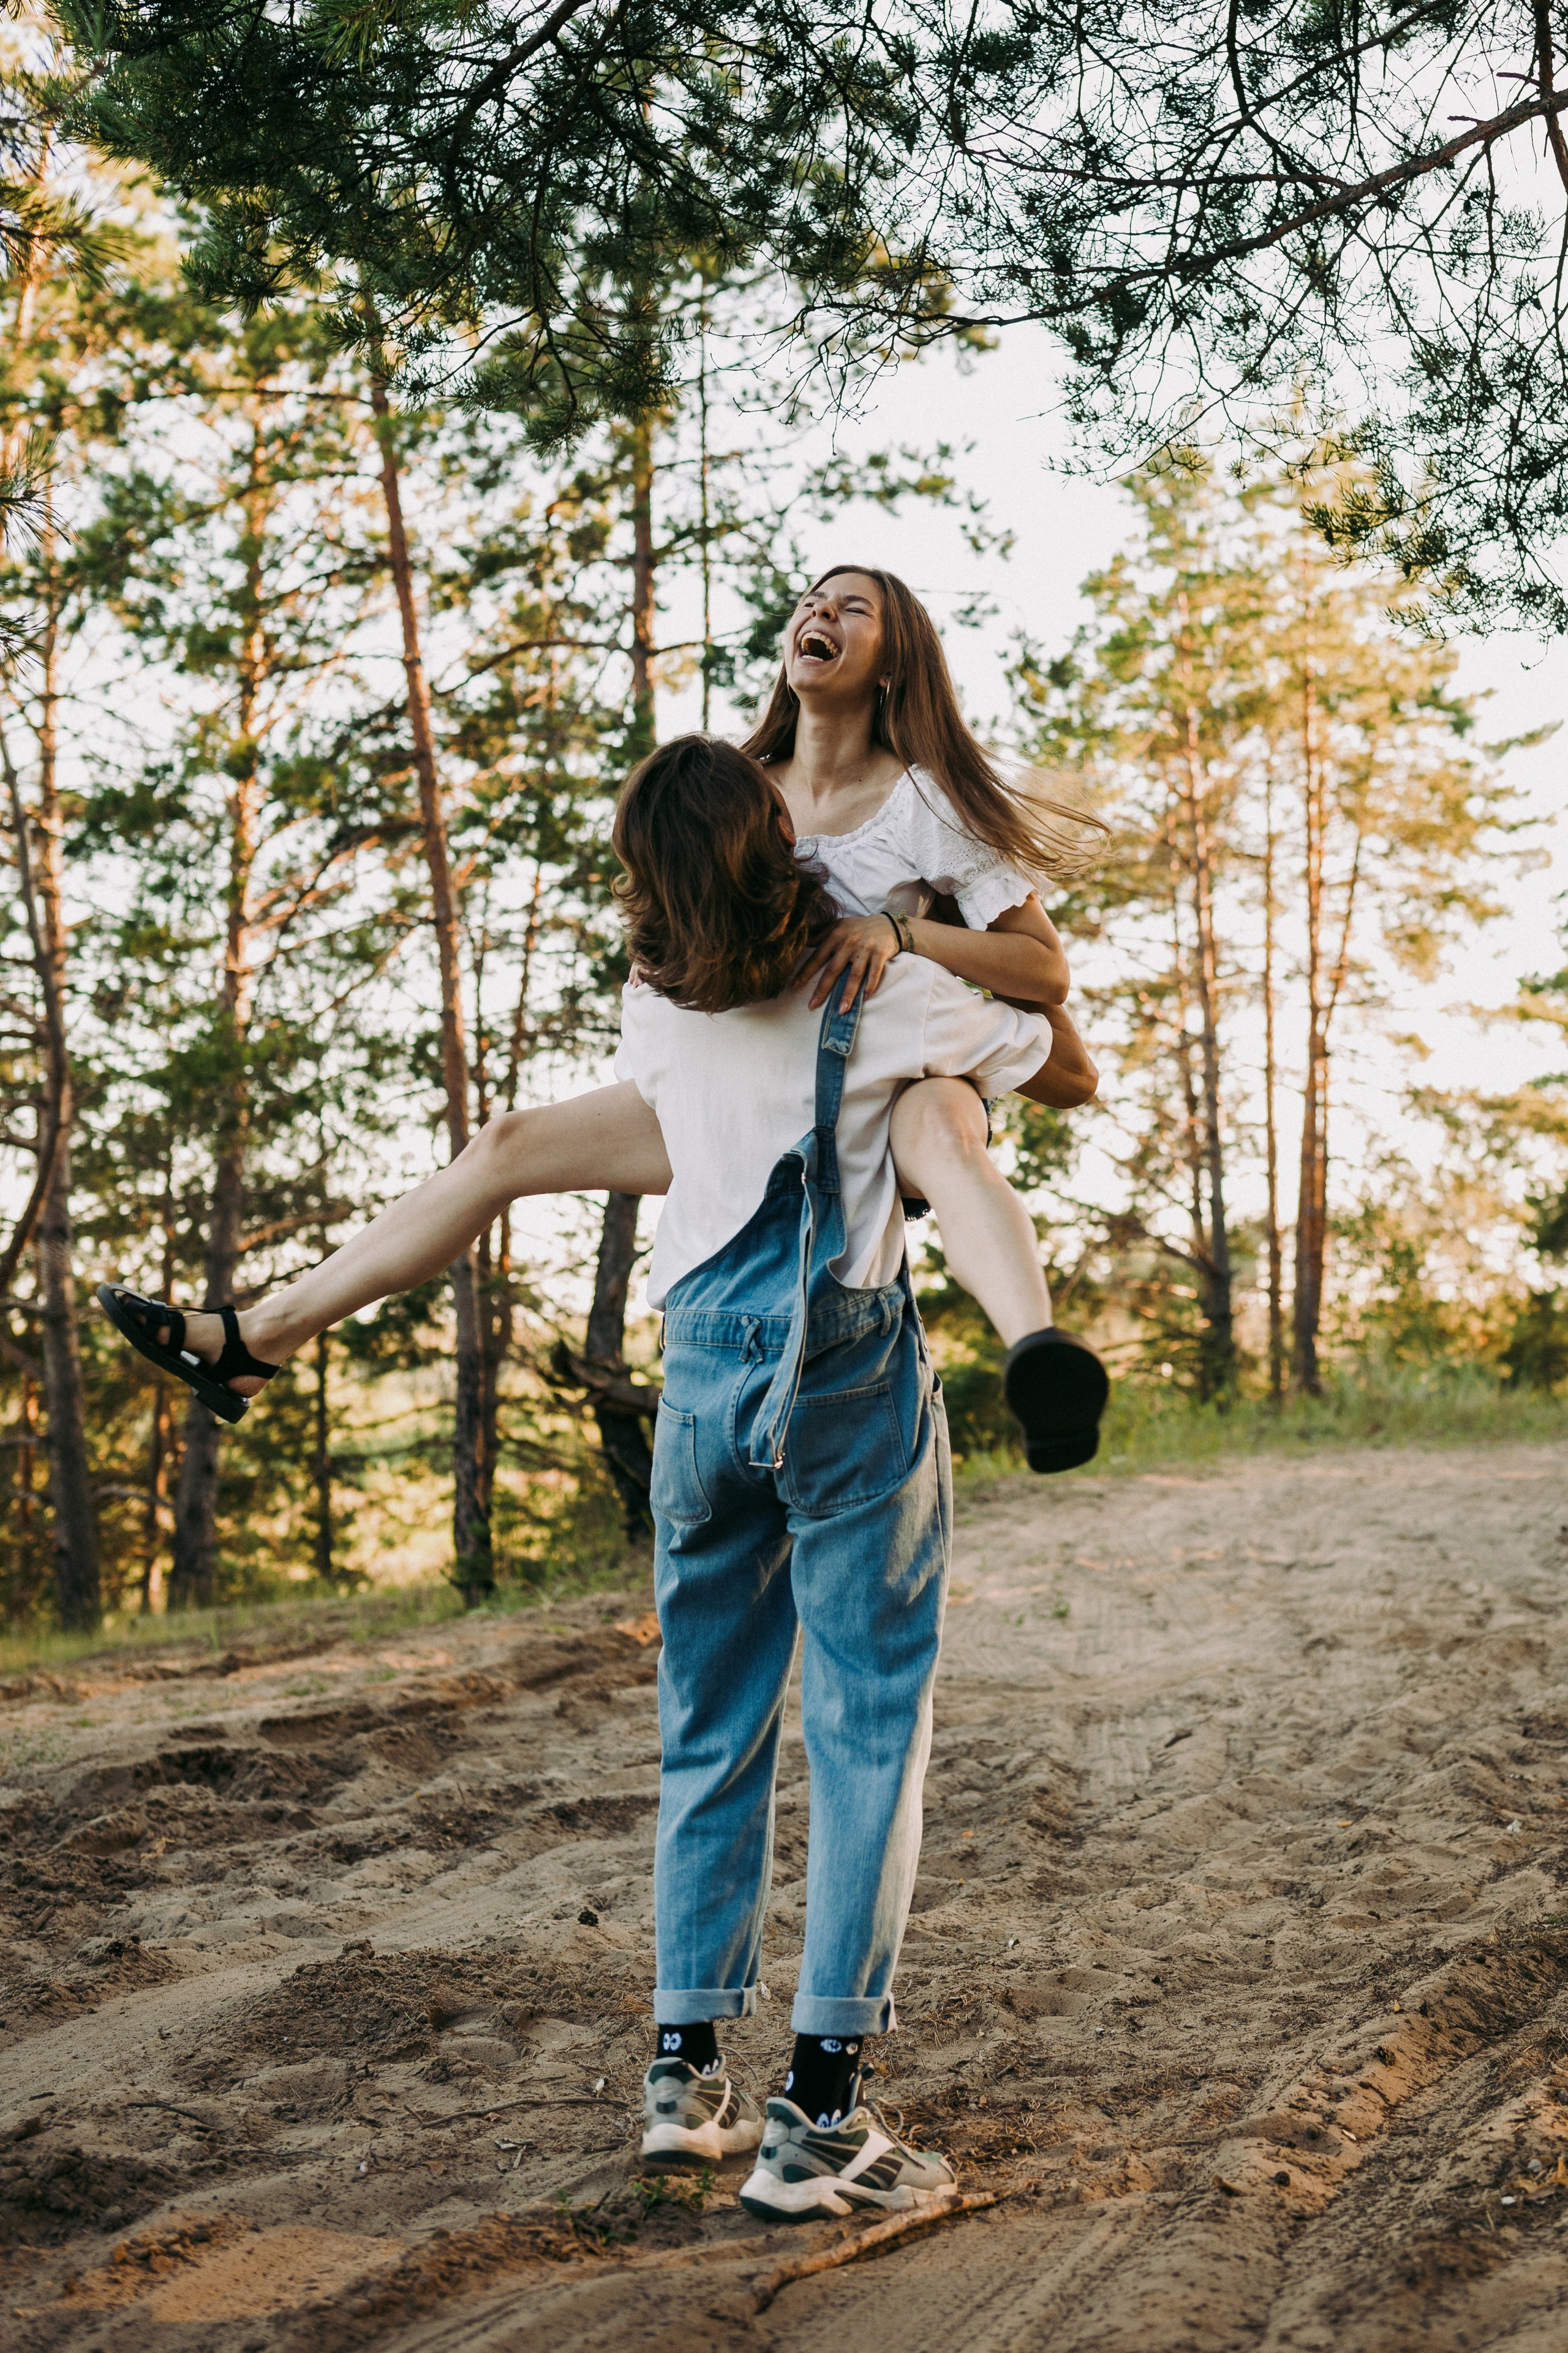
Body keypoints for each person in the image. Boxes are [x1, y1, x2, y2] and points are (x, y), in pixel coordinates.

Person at [96, 565, 1104, 1469]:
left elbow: (1043, 972)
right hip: (731, 1084)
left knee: (943, 1127)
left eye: (854, 607)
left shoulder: (924, 803)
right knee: (505, 1144)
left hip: (881, 1070)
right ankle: (259, 1338)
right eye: (812, 600)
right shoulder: (732, 787)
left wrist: (901, 932)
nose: (819, 612)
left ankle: (1039, 1359)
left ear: (895, 663)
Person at [610, 736, 1101, 2220]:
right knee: (867, 1726)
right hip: (839, 1362)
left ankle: (683, 2076)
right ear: (778, 841)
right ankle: (820, 2115)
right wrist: (919, 978)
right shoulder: (874, 985)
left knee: (708, 1731)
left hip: (695, 1369)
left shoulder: (651, 997)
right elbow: (1065, 1064)